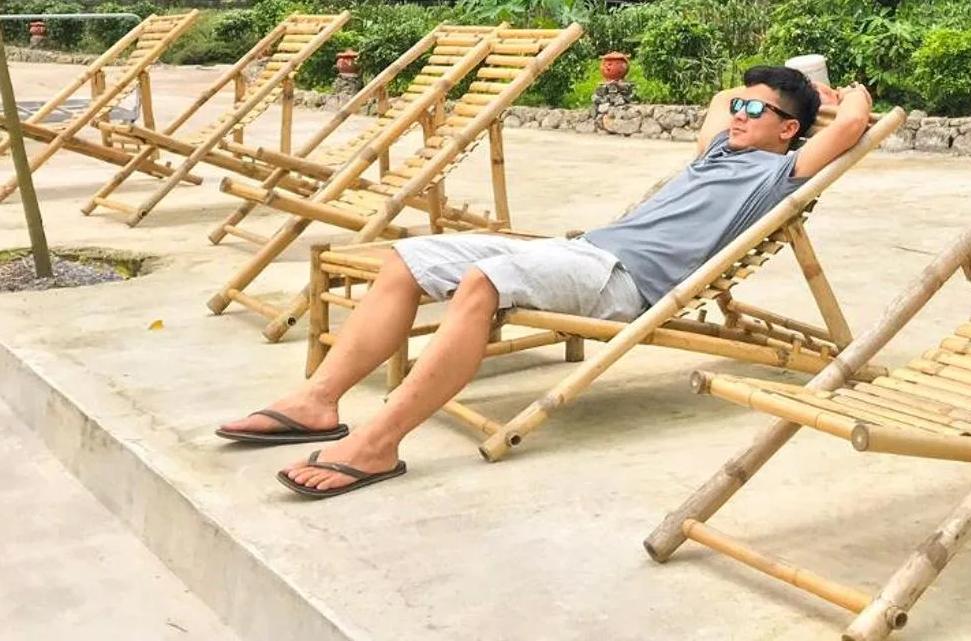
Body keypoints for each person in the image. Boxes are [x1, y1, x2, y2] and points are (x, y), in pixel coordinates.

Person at [215, 64, 874, 497]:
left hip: (623, 282)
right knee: (407, 259)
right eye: (741, 104)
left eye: (756, 109)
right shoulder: (718, 151)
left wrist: (841, 95)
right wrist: (760, 92)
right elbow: (717, 99)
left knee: (481, 282)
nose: (739, 113)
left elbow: (852, 125)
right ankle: (318, 402)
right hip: (584, 251)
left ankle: (378, 443)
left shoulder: (779, 174)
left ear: (789, 130)